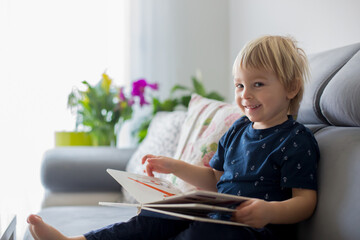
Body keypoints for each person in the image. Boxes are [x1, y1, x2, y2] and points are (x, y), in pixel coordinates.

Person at [27, 35, 319, 240]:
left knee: (204, 233)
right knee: (157, 216)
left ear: (291, 88)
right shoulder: (238, 130)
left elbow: (305, 202)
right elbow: (214, 179)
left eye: (258, 84)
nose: (245, 95)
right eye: (239, 85)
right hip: (216, 218)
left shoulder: (296, 140)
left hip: (256, 231)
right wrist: (173, 166)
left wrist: (268, 212)